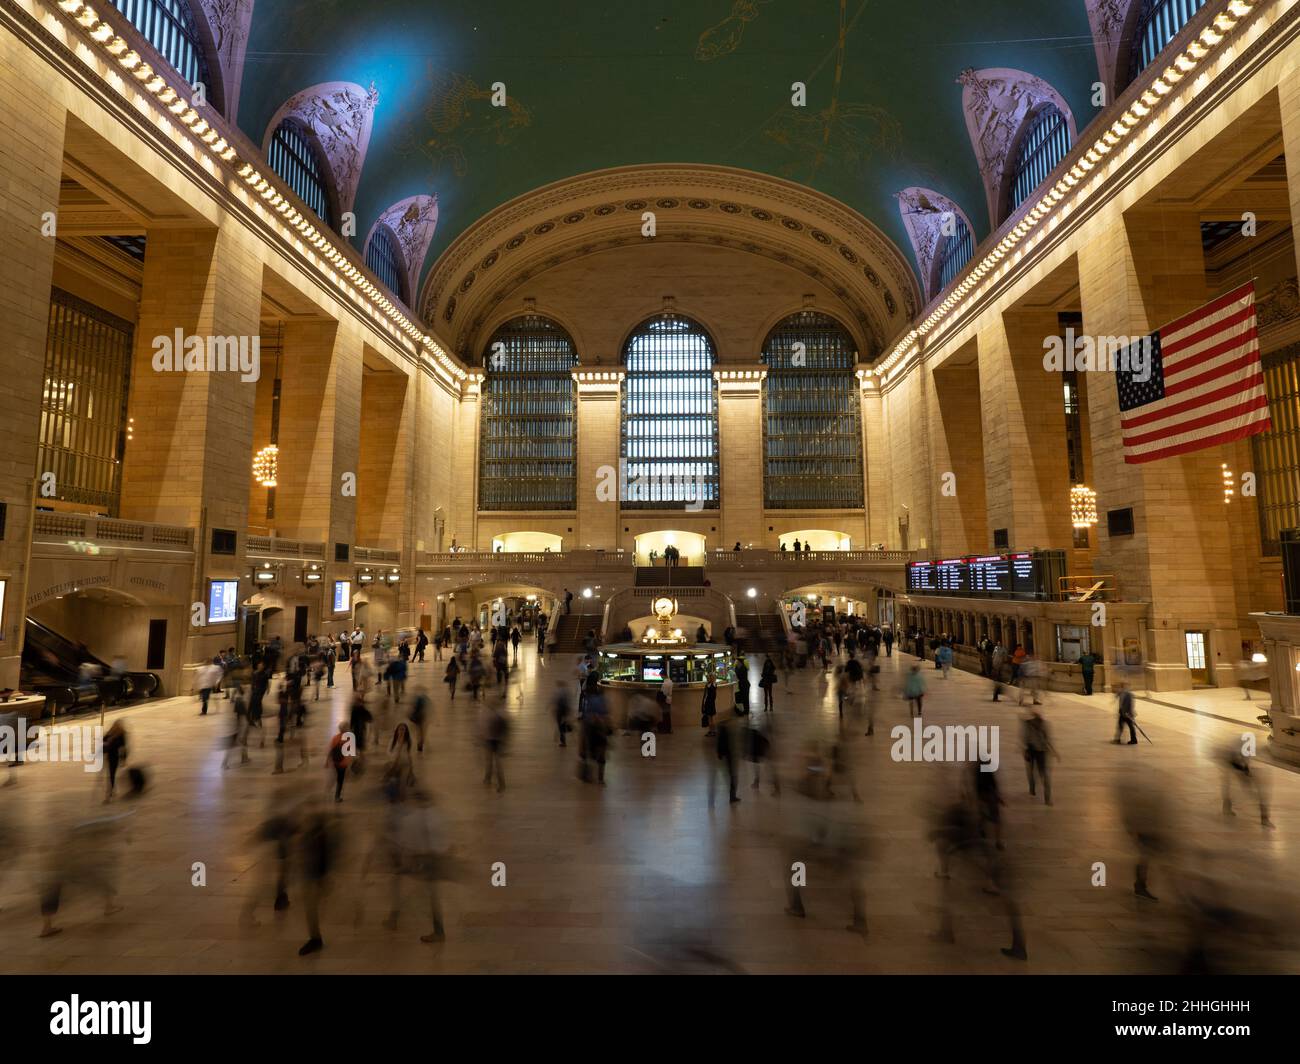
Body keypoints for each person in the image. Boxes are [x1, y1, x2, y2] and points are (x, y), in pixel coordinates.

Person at [1022, 708, 1054, 805]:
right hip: (1032, 751)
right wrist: (1025, 750)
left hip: (1041, 752)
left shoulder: (1044, 724)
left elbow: (1047, 738)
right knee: (1031, 772)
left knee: (1043, 775)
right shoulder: (1028, 724)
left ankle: (1047, 798)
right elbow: (1026, 738)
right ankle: (1032, 787)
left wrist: (1053, 750)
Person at [480, 698, 509, 792]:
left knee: (491, 761)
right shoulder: (502, 715)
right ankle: (496, 781)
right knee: (495, 762)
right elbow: (506, 730)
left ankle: (491, 779)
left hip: (490, 741)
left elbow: (483, 728)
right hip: (497, 741)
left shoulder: (488, 715)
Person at [326, 722, 353, 802]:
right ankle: (337, 797)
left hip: (336, 762)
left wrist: (327, 761)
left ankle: (331, 786)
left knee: (337, 777)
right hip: (343, 763)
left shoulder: (335, 738)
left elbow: (331, 750)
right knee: (340, 780)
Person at [102, 721, 127, 801]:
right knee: (111, 775)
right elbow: (104, 739)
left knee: (111, 775)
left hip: (114, 757)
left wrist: (123, 759)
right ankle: (111, 791)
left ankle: (110, 792)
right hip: (110, 756)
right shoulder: (112, 733)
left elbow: (123, 748)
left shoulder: (121, 735)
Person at [553, 681, 573, 747]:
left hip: (560, 711)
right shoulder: (566, 692)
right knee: (563, 725)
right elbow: (568, 702)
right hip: (565, 711)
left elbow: (555, 701)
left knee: (560, 726)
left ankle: (563, 741)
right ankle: (563, 739)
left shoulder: (559, 692)